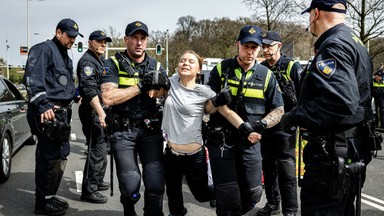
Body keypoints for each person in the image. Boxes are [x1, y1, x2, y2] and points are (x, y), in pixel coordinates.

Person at [281, 0, 373, 215]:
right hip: (350, 146)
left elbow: (341, 101)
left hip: (332, 153)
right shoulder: (354, 41)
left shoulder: (334, 45)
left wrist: (295, 116)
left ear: (315, 13)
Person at [160, 50, 260, 216]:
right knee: (173, 195)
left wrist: (244, 128)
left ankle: (227, 194)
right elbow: (155, 92)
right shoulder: (169, 83)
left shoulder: (204, 91)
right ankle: (177, 212)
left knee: (201, 195)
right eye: (182, 60)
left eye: (191, 61)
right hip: (171, 153)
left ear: (199, 70)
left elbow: (225, 111)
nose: (185, 63)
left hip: (193, 156)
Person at [205, 25, 285, 215]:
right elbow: (206, 108)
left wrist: (263, 124)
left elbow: (279, 109)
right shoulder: (221, 69)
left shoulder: (267, 75)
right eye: (246, 46)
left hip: (251, 142)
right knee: (226, 197)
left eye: (254, 47)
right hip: (223, 142)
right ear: (237, 45)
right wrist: (216, 101)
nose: (250, 52)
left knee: (253, 193)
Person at [100, 21, 166, 216]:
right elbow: (108, 97)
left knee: (155, 182)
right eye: (135, 38)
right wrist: (140, 87)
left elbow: (167, 92)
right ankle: (129, 208)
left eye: (143, 38)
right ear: (126, 40)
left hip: (150, 130)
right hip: (123, 130)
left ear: (147, 41)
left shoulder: (156, 65)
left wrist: (161, 89)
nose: (139, 43)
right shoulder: (112, 64)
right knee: (130, 185)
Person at [23, 18, 83, 215]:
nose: (73, 40)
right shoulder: (44, 49)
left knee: (60, 155)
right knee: (49, 159)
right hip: (48, 113)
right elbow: (32, 78)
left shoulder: (64, 55)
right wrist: (42, 105)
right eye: (70, 36)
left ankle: (49, 196)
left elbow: (60, 84)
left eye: (75, 37)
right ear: (59, 32)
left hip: (61, 114)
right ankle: (42, 203)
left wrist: (75, 93)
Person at [258, 31, 301, 216]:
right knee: (268, 168)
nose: (266, 50)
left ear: (279, 46)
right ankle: (273, 204)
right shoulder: (260, 68)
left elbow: (303, 96)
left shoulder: (291, 65)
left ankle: (290, 210)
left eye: (269, 46)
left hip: (286, 126)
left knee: (286, 170)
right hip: (267, 125)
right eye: (264, 46)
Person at [77, 30, 112, 204]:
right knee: (96, 150)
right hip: (92, 111)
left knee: (102, 146)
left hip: (100, 110)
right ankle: (89, 190)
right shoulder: (87, 62)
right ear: (91, 42)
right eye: (99, 41)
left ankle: (97, 180)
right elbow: (89, 89)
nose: (103, 44)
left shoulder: (100, 61)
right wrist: (100, 112)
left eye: (105, 42)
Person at [372, 63, 384, 128]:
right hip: (375, 98)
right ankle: (376, 125)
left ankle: (382, 125)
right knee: (375, 112)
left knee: (382, 111)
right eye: (378, 76)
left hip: (382, 98)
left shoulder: (382, 81)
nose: (379, 77)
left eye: (380, 77)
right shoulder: (373, 81)